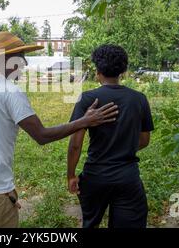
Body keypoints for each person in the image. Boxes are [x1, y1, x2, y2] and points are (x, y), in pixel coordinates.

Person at [0, 32, 119, 228]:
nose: (25, 63)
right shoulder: (11, 92)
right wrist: (84, 121)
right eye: (22, 57)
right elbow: (41, 136)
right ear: (7, 59)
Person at [67, 44, 154, 228]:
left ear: (98, 70)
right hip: (128, 177)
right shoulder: (139, 99)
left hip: (95, 176)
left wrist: (71, 175)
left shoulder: (87, 99)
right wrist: (124, 146)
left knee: (90, 224)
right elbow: (145, 140)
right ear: (122, 70)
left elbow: (75, 144)